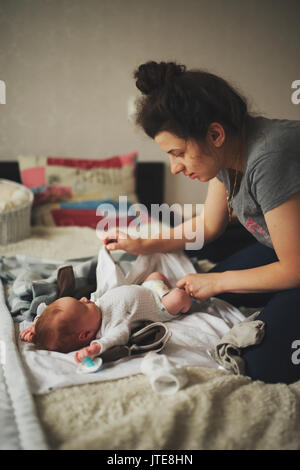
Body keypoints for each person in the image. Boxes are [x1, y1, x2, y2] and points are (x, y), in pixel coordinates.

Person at [102, 61, 300, 385]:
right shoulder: (228, 153)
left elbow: (295, 267)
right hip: (286, 250)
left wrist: (221, 282)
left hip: (295, 260)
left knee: (259, 363)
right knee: (204, 291)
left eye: (178, 153)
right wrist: (143, 242)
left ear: (214, 133)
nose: (175, 167)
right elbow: (208, 226)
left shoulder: (268, 158)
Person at [20, 271, 192, 362]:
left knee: (156, 275)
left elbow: (50, 315)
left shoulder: (94, 308)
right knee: (179, 296)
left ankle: (163, 286)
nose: (84, 298)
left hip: (147, 287)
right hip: (160, 304)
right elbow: (118, 338)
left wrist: (37, 326)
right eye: (82, 305)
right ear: (86, 335)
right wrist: (97, 347)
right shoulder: (109, 327)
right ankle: (182, 304)